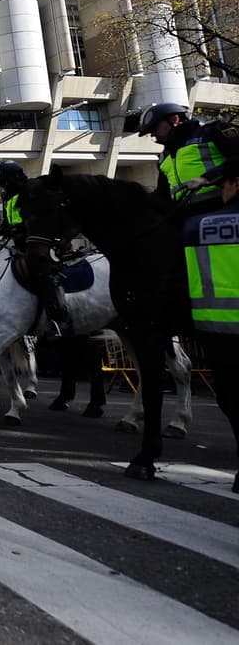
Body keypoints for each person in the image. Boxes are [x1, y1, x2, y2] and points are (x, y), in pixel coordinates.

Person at [181, 170, 239, 474]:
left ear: (235, 183)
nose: (221, 191)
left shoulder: (196, 227)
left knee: (230, 399)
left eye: (223, 185)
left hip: (216, 332)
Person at [0, 159, 72, 338]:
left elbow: (40, 219)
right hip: (16, 245)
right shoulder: (7, 197)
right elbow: (6, 222)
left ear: (12, 179)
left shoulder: (33, 190)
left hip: (37, 244)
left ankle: (58, 319)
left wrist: (21, 230)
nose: (2, 187)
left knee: (41, 273)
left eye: (3, 183)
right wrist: (0, 235)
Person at [139, 102, 239, 220]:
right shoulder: (164, 157)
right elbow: (162, 196)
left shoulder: (211, 132)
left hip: (224, 207)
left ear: (174, 119)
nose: (153, 134)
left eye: (155, 128)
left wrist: (207, 178)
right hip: (186, 215)